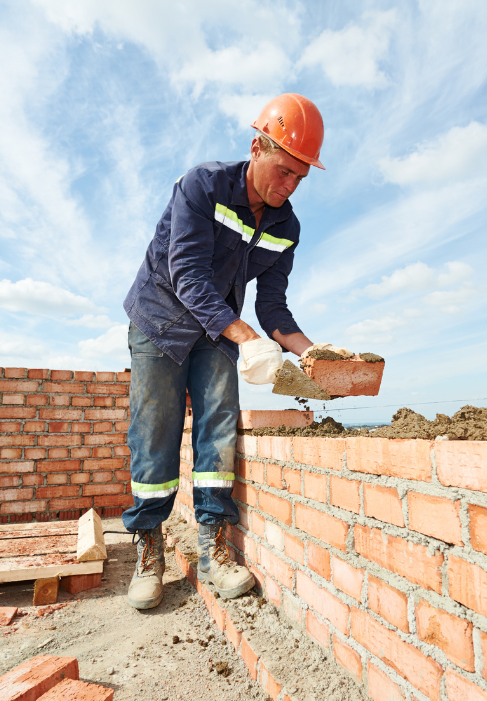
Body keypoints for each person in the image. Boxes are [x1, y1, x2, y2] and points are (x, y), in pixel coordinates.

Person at [120, 93, 348, 609]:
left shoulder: (285, 227)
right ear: (256, 148)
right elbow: (189, 275)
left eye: (299, 178)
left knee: (218, 427)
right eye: (283, 171)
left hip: (218, 329)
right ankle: (148, 548)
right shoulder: (202, 187)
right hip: (161, 320)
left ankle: (214, 548)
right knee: (153, 431)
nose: (288, 187)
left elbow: (274, 307)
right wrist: (244, 338)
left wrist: (316, 355)